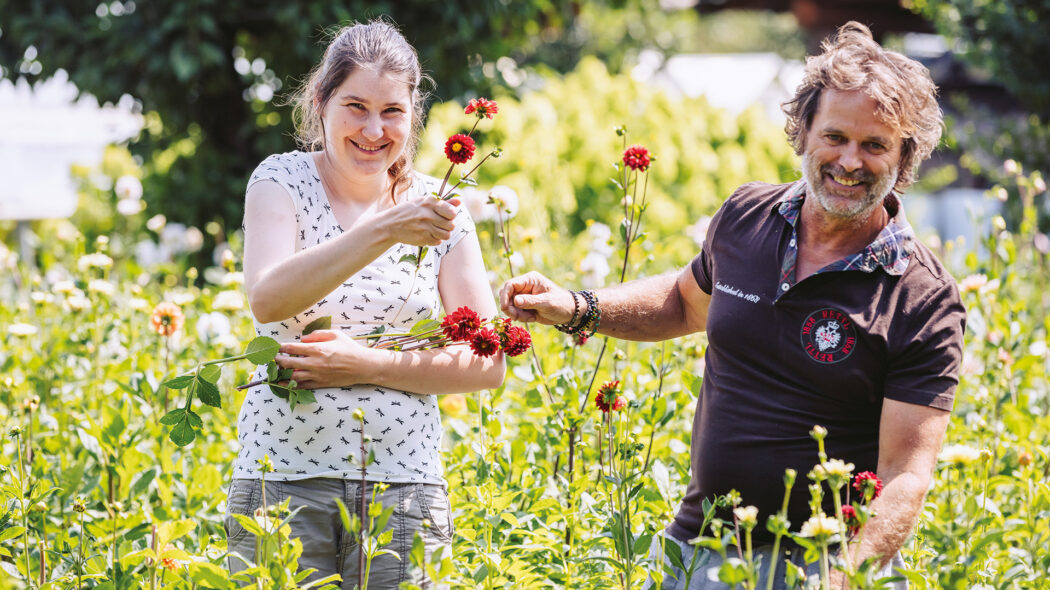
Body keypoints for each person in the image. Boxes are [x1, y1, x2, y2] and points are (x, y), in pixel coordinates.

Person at [499, 22, 964, 589]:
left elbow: (904, 475)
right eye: (835, 137)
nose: (849, 161)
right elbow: (681, 304)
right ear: (804, 133)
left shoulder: (920, 294)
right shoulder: (748, 216)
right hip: (702, 549)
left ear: (904, 156)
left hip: (822, 564)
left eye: (874, 145)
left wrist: (845, 578)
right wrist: (575, 306)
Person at [226, 19, 505, 589]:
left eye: (392, 112)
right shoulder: (280, 181)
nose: (374, 130)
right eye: (356, 106)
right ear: (321, 101)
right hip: (283, 478)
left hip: (405, 486)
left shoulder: (440, 210)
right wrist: (386, 229)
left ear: (412, 115)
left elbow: (487, 361)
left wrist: (366, 364)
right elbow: (268, 296)